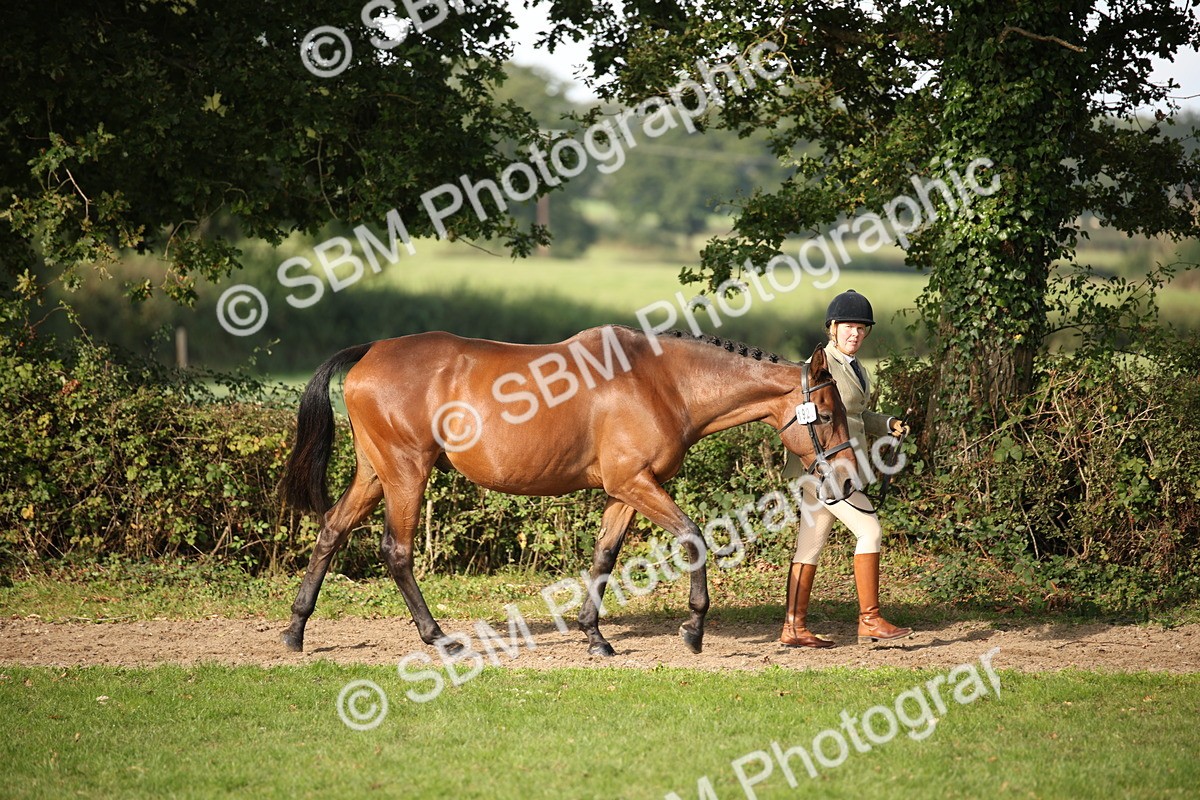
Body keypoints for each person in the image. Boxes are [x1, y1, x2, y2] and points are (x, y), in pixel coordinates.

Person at [779, 289, 912, 648]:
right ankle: (869, 620)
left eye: (861, 328)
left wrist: (886, 424)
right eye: (848, 327)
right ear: (832, 328)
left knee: (810, 544)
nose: (855, 333)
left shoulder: (855, 367)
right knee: (869, 531)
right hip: (828, 469)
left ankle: (793, 627)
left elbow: (854, 415)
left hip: (836, 467)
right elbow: (807, 414)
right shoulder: (821, 365)